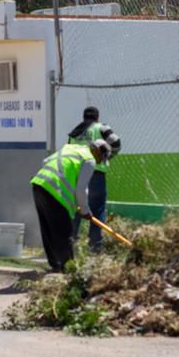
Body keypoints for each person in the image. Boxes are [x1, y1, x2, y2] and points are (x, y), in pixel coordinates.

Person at [30, 138, 112, 272]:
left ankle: (55, 265)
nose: (99, 162)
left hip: (39, 184)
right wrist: (85, 210)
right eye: (101, 159)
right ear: (97, 152)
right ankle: (69, 269)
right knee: (64, 231)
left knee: (48, 229)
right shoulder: (89, 160)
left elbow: (46, 161)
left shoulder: (71, 148)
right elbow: (81, 190)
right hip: (54, 192)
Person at [67, 107, 121, 251]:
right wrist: (108, 157)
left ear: (83, 117)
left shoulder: (75, 132)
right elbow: (116, 142)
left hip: (76, 174)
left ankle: (70, 244)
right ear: (97, 117)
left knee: (76, 208)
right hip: (95, 173)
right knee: (97, 208)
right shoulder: (101, 127)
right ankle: (95, 246)